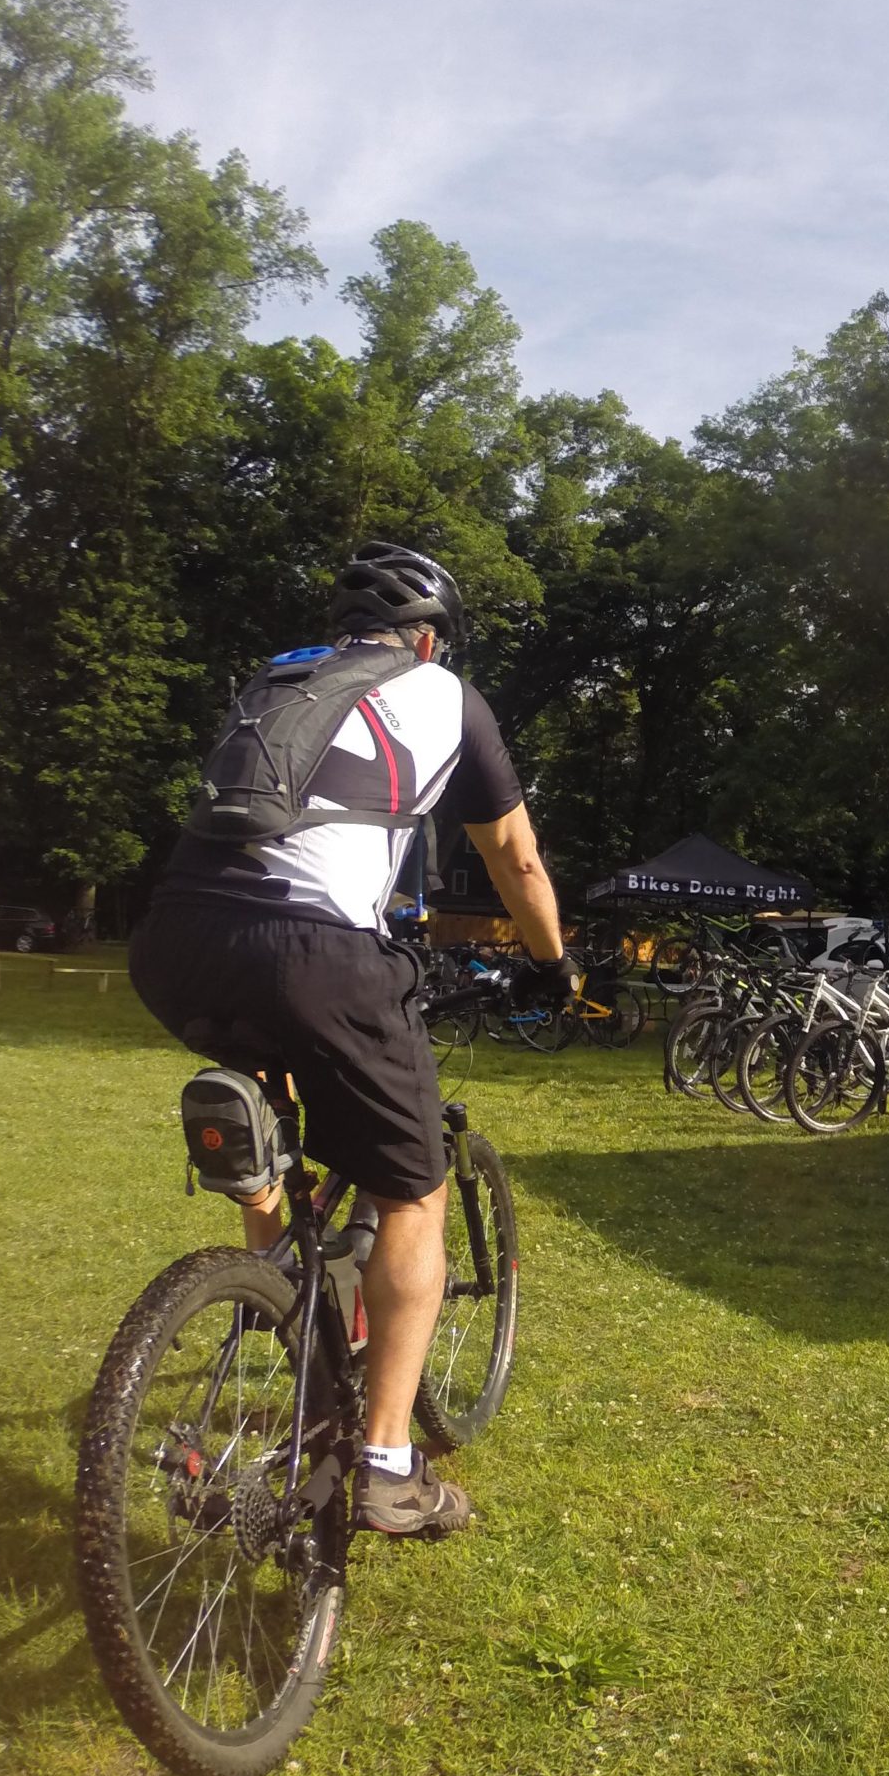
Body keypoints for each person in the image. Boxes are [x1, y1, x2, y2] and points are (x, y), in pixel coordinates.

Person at [130, 543, 577, 1539]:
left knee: (275, 1099)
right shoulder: (444, 693)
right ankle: (381, 1463)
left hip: (174, 941)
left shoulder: (281, 675)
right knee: (411, 1192)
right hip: (314, 952)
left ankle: (270, 1243)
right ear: (429, 636)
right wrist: (553, 965)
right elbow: (514, 854)